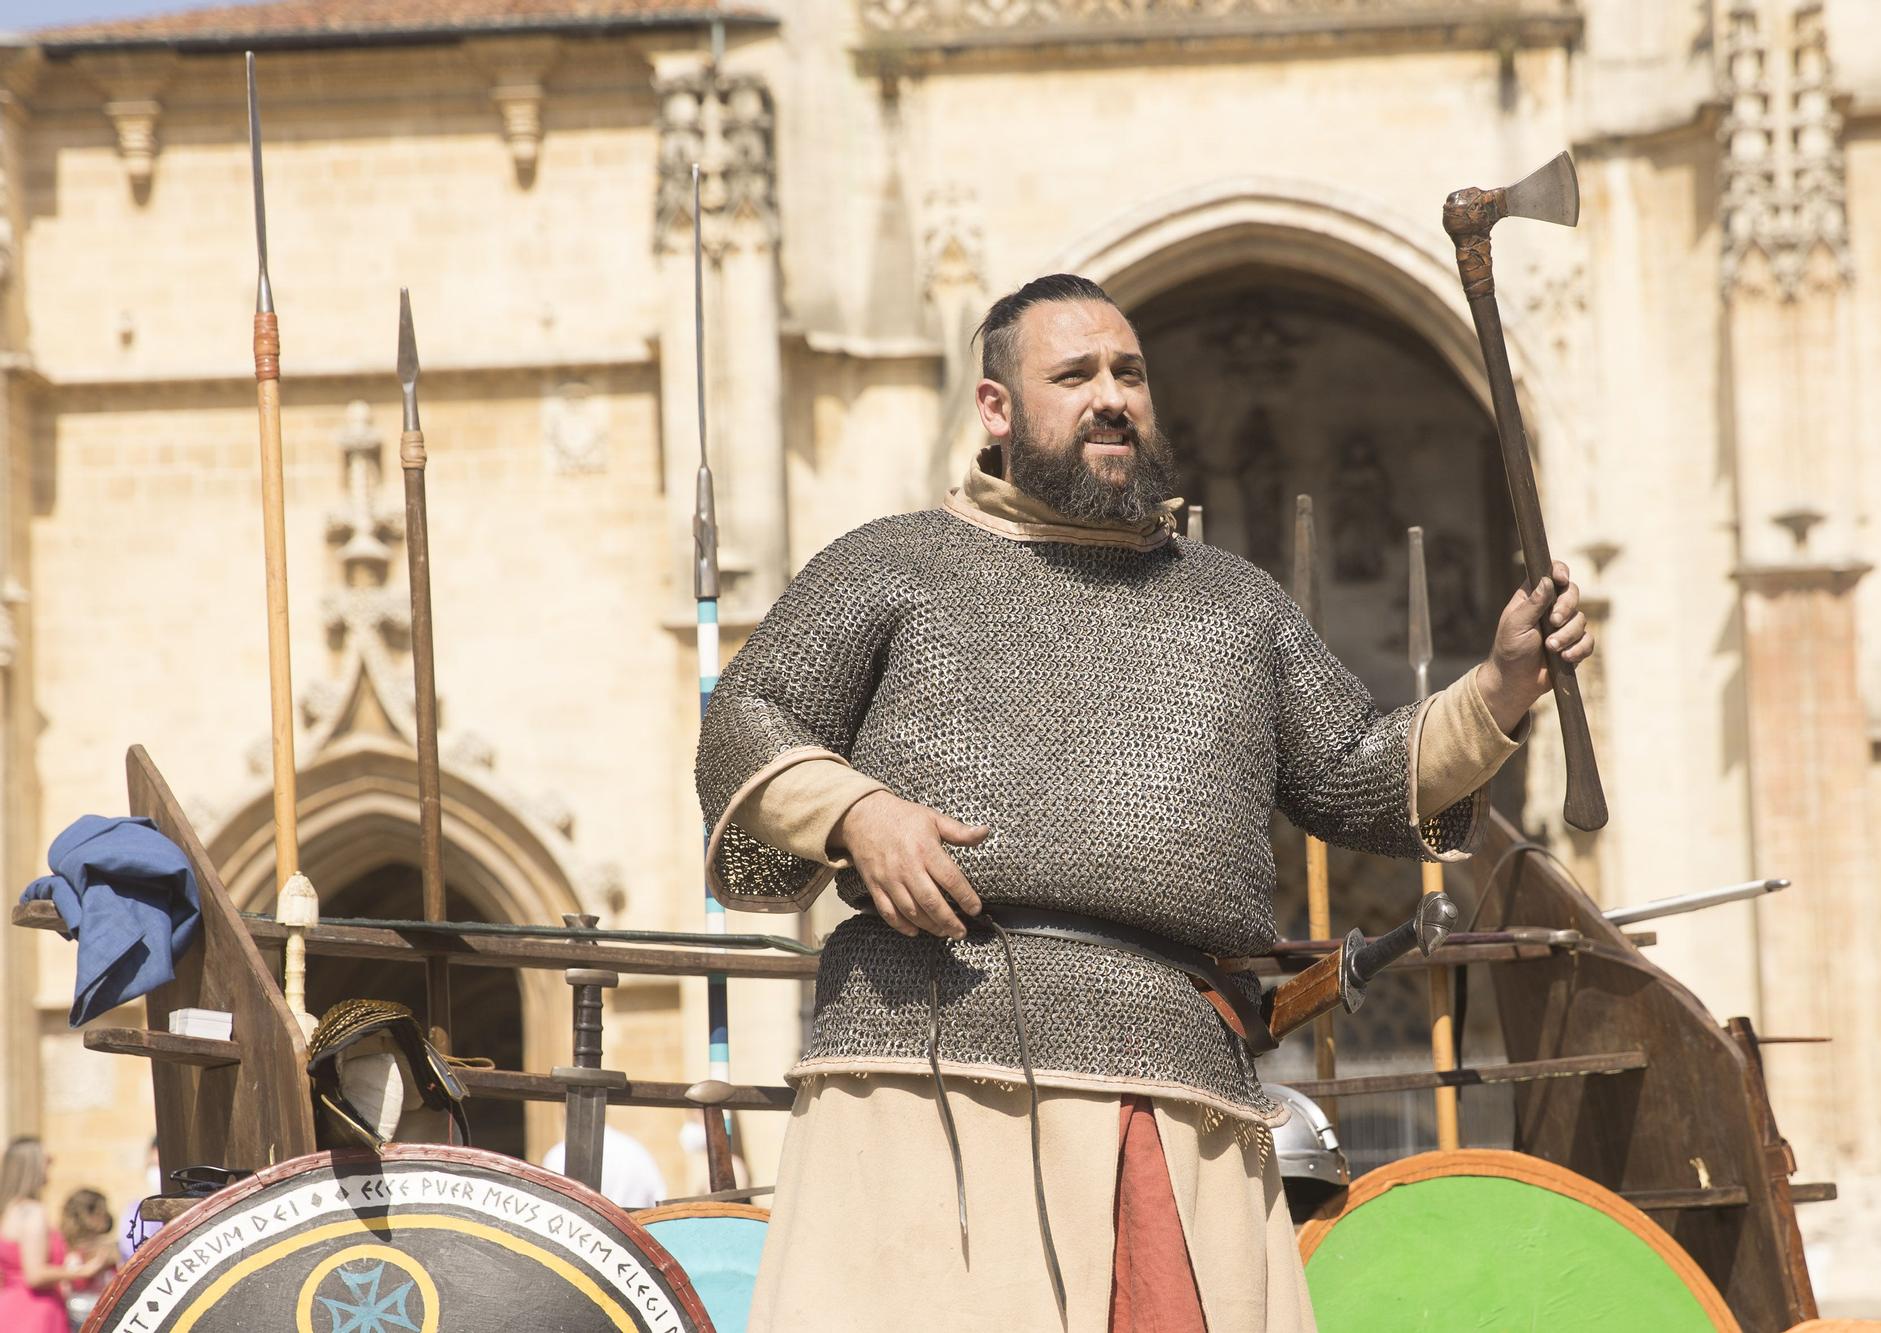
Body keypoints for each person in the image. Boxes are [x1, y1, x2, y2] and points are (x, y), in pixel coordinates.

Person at [694, 273, 1594, 1331]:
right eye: (1073, 375)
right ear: (996, 409)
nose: (1110, 396)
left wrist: (1498, 685)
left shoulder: (1232, 602)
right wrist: (857, 815)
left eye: (1128, 372)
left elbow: (1357, 775)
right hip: (922, 1066)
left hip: (1173, 1087)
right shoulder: (890, 564)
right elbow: (746, 715)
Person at [0, 1139, 106, 1333]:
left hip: (10, 1309)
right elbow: (35, 1275)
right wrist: (83, 1271)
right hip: (34, 1313)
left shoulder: (9, 1211)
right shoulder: (33, 1212)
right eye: (46, 1161)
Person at [540, 1124, 670, 1211]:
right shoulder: (634, 1149)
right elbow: (659, 1199)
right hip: (633, 1240)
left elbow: (549, 1206)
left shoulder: (558, 1154)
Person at [57, 1188, 116, 1330]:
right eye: (101, 1212)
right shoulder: (66, 1248)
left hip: (98, 1310)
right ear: (87, 1215)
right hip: (79, 1313)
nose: (107, 1217)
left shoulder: (106, 1246)